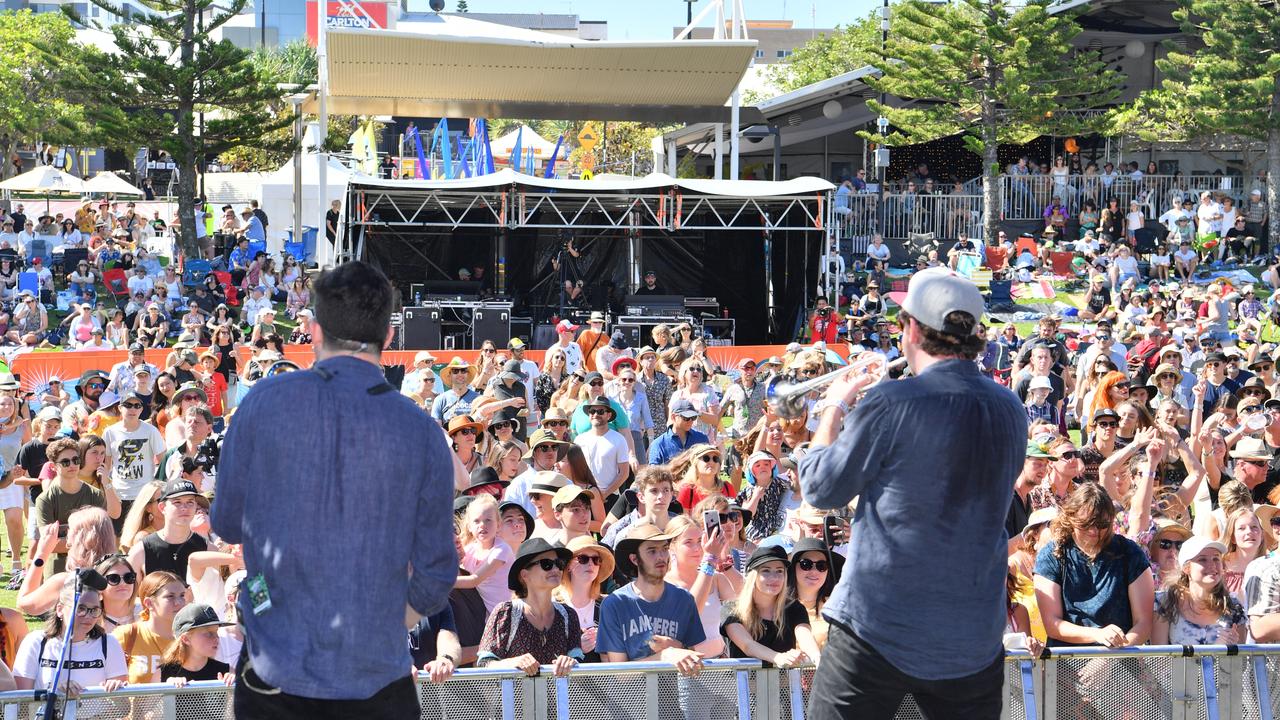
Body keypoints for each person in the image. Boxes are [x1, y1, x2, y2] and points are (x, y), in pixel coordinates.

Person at [211, 261, 457, 718]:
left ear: (316, 330)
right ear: (387, 338)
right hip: (377, 679)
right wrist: (382, 626)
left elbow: (226, 521)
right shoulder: (421, 430)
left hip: (274, 673)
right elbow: (435, 575)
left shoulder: (264, 403)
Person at [800, 267, 1026, 719]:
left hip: (878, 626)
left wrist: (833, 407)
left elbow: (821, 487)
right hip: (972, 635)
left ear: (913, 329)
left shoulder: (891, 402)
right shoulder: (1011, 409)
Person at [1034, 483, 1155, 648]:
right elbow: (1052, 624)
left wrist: (1113, 655)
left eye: (1102, 525)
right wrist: (1099, 635)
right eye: (1085, 524)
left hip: (1121, 658)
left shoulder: (1129, 552)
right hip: (1066, 661)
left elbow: (1143, 624)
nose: (1094, 531)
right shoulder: (1051, 554)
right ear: (1071, 517)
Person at [597, 524, 713, 674]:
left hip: (675, 694)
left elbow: (692, 655)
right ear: (634, 559)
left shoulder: (684, 599)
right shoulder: (615, 603)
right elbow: (621, 674)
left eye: (664, 549)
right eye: (652, 551)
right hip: (632, 696)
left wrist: (673, 646)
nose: (661, 557)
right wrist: (664, 656)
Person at [476, 538, 583, 677]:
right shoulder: (505, 612)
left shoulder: (569, 615)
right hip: (513, 698)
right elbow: (485, 663)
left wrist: (571, 662)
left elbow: (579, 662)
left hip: (557, 698)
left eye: (559, 563)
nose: (556, 569)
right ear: (524, 575)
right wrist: (513, 663)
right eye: (547, 564)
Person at [13, 574, 129, 698]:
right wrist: (58, 693)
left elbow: (123, 709)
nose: (88, 616)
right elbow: (20, 703)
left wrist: (116, 693)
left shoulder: (109, 643)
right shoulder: (35, 642)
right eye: (80, 608)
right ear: (60, 609)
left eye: (94, 610)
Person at [722, 545, 819, 667]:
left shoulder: (794, 608)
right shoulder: (731, 609)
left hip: (783, 685)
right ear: (753, 576)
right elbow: (747, 645)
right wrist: (778, 657)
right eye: (766, 571)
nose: (774, 578)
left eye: (779, 571)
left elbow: (804, 635)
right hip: (744, 684)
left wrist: (817, 657)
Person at [1151, 536, 1248, 645]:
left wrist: (1232, 651)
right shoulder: (1165, 602)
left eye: (1216, 559)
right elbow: (1158, 658)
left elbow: (1241, 660)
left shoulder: (1234, 608)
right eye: (1202, 560)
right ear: (1187, 568)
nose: (1212, 565)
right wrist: (1216, 650)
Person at [114, 570, 189, 684]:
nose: (179, 602)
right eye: (170, 596)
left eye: (182, 595)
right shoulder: (127, 634)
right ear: (149, 603)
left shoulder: (190, 638)